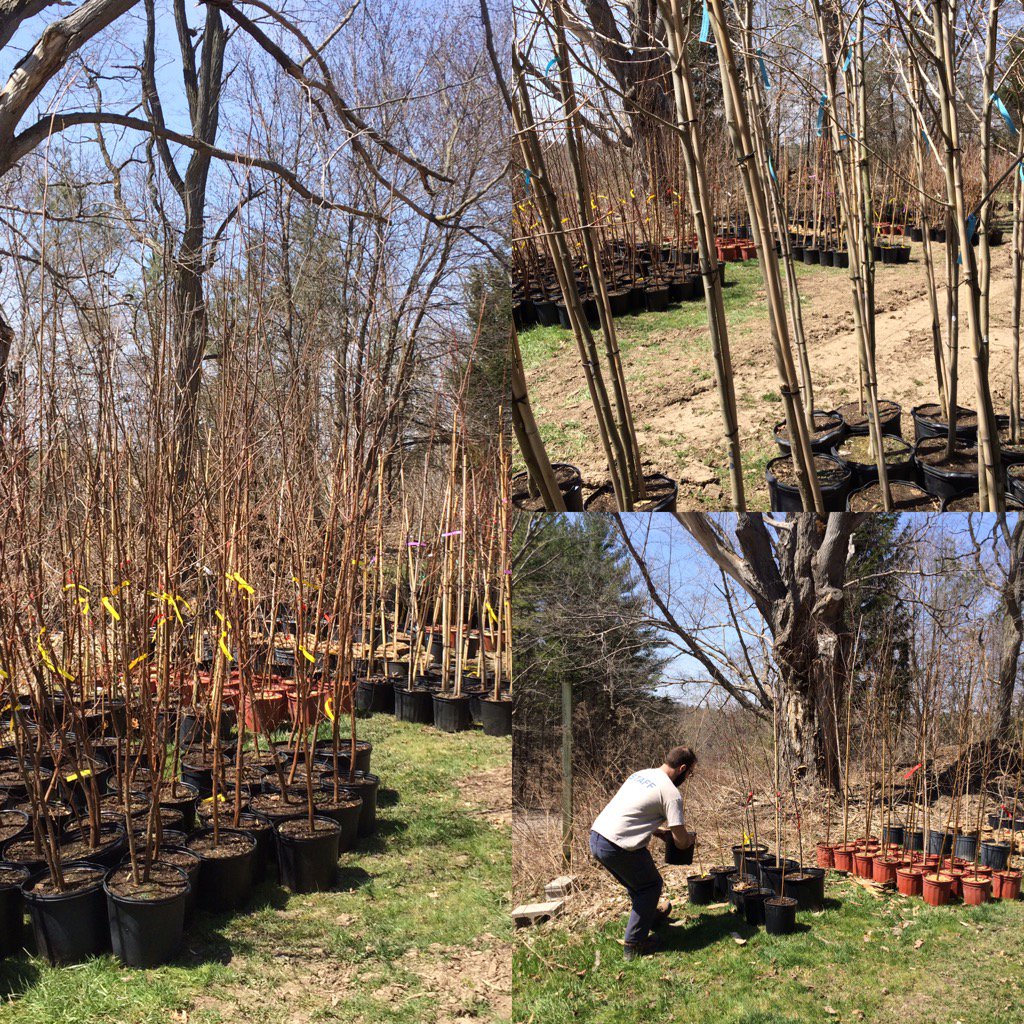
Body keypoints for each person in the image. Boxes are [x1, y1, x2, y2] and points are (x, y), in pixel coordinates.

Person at [589, 746, 697, 961]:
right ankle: (635, 943)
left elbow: (630, 812)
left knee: (638, 884)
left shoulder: (641, 774)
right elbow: (681, 841)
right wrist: (690, 840)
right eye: (689, 773)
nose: (688, 777)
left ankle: (650, 917)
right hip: (618, 846)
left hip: (598, 837)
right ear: (682, 768)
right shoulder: (671, 794)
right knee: (649, 886)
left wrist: (656, 831)